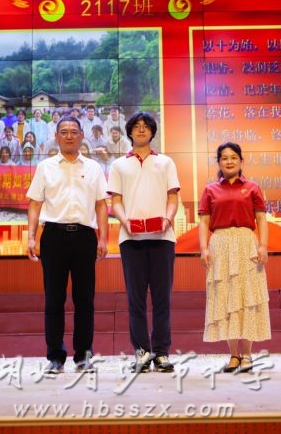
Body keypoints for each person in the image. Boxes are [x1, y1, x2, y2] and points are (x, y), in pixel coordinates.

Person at [26, 116, 109, 375]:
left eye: (74, 131)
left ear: (82, 135)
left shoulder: (94, 167)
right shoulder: (45, 167)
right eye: (64, 132)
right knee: (54, 299)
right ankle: (55, 357)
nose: (69, 136)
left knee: (85, 300)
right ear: (56, 136)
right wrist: (31, 237)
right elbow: (35, 204)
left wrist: (103, 238)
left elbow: (101, 204)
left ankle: (83, 356)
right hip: (53, 237)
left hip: (84, 237)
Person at [107, 111, 180, 373]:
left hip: (163, 239)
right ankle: (142, 352)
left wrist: (168, 219)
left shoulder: (165, 162)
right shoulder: (119, 165)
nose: (141, 130)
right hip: (131, 240)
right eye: (136, 126)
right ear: (129, 132)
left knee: (162, 298)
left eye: (146, 126)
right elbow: (115, 201)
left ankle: (161, 353)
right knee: (135, 299)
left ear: (152, 131)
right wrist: (125, 222)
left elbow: (173, 197)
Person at [198, 142, 270, 374]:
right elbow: (204, 222)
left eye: (233, 157)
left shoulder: (252, 188)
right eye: (224, 158)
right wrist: (204, 248)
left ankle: (247, 354)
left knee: (247, 298)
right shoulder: (210, 190)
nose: (229, 161)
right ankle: (233, 355)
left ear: (241, 161)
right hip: (220, 245)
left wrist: (263, 246)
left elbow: (261, 219)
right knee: (225, 298)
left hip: (246, 244)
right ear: (219, 162)